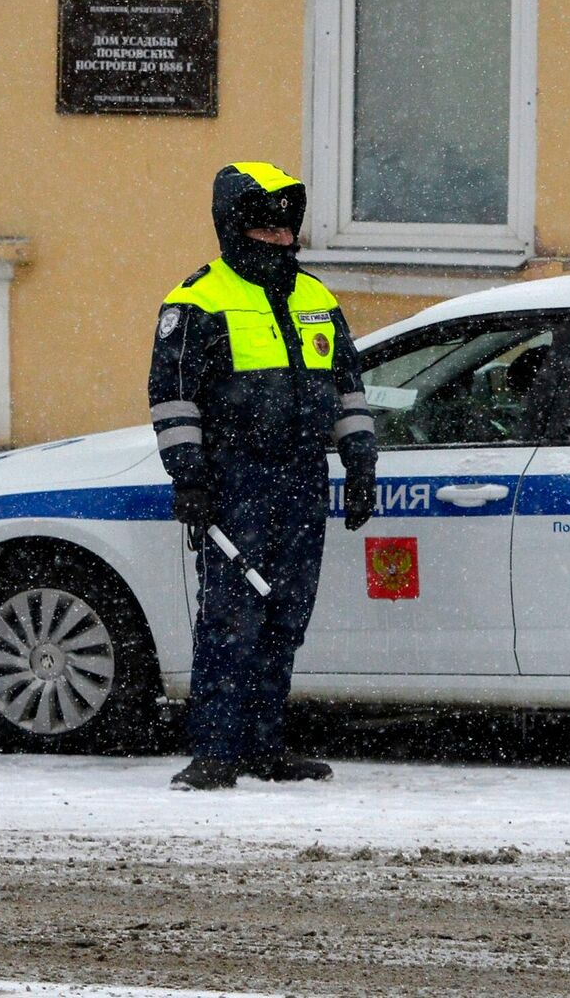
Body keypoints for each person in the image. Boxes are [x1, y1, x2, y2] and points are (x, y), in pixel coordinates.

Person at [149, 162, 377, 791]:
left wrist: (359, 464)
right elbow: (172, 399)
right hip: (234, 482)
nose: (283, 240)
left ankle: (264, 746)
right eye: (267, 229)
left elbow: (347, 392)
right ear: (235, 228)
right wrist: (189, 478)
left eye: (287, 228)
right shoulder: (196, 301)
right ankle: (216, 750)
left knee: (285, 614)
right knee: (230, 617)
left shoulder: (317, 299)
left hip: (304, 479)